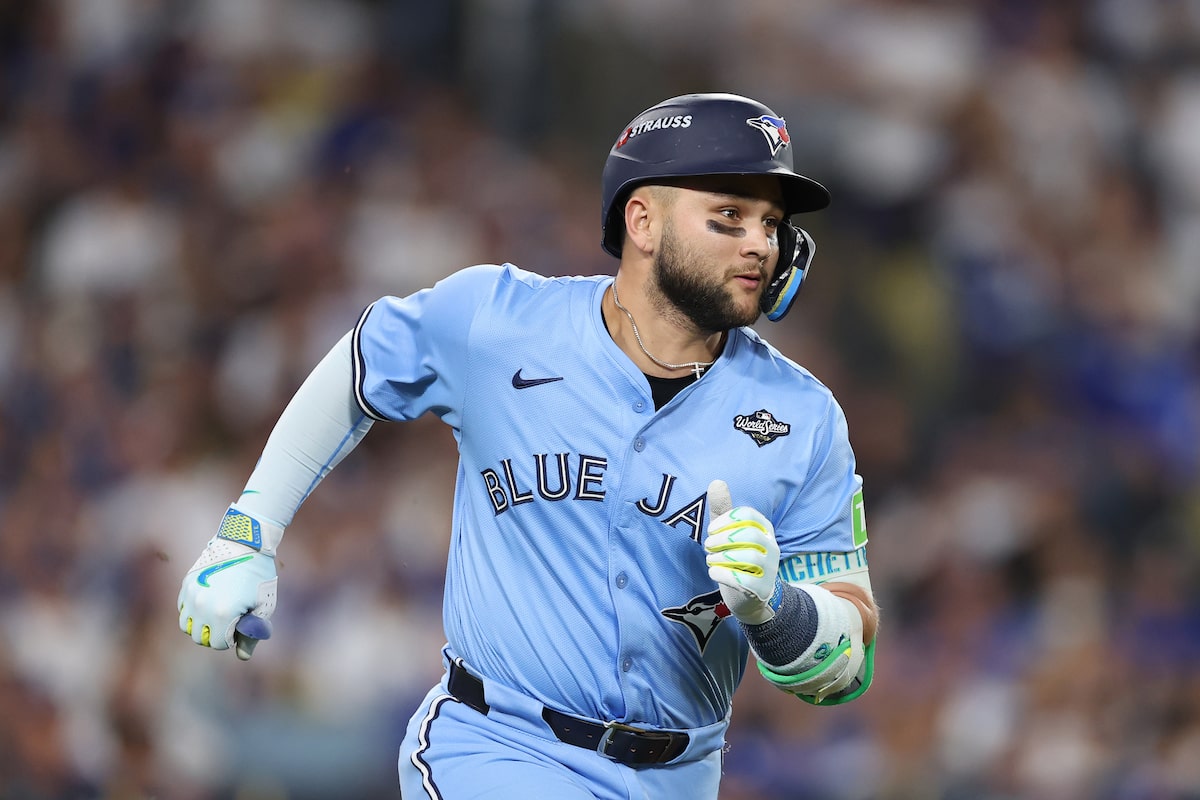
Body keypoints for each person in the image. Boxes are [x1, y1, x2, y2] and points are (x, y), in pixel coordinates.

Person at [178, 92, 880, 799]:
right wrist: (249, 531)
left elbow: (849, 666)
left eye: (771, 223)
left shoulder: (803, 417)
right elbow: (360, 366)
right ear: (642, 220)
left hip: (680, 777)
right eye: (728, 217)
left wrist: (776, 609)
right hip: (496, 747)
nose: (760, 244)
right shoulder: (500, 320)